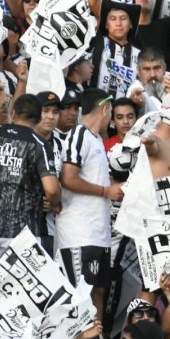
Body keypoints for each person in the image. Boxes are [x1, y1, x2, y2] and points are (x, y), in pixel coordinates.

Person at [57, 89, 123, 315]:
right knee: (80, 297)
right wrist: (106, 191)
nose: (111, 118)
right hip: (79, 234)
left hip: (98, 235)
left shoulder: (95, 139)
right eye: (111, 112)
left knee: (98, 293)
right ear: (105, 109)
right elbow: (68, 178)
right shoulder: (79, 135)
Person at [0, 94, 60, 252]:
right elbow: (52, 189)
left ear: (14, 113)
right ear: (39, 117)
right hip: (26, 233)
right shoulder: (40, 144)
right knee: (26, 278)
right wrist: (56, 204)